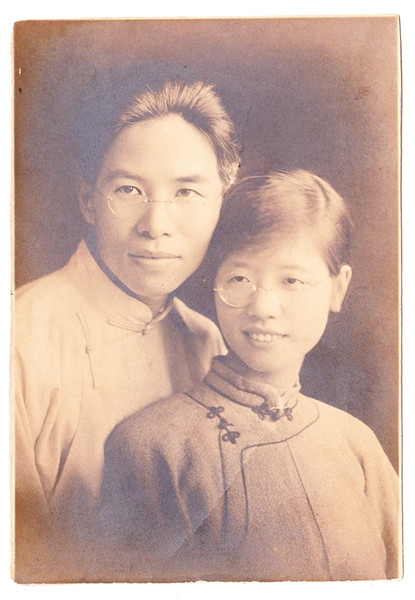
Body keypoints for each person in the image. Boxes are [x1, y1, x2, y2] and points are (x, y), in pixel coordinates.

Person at [100, 170, 400, 582]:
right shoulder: (151, 447)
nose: (262, 307)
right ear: (214, 283)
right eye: (239, 279)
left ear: (338, 288)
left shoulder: (356, 444)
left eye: (292, 280)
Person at [14, 76, 240, 582]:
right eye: (129, 190)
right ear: (88, 201)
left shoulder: (209, 342)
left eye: (187, 192)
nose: (156, 225)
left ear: (220, 203)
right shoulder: (20, 338)